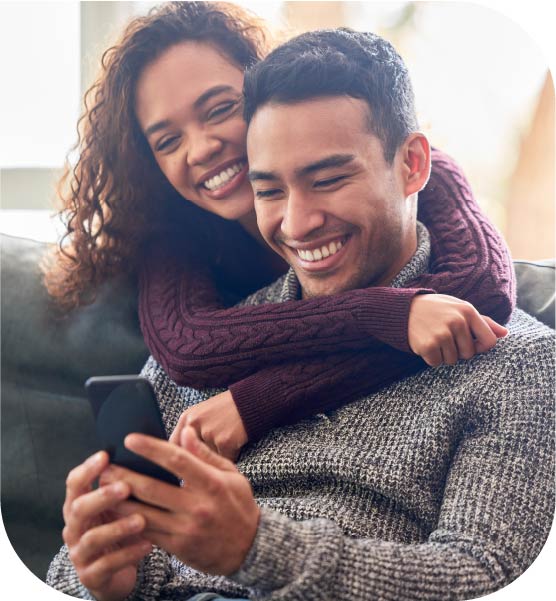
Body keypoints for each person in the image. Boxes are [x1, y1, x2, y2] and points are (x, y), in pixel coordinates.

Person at [47, 27, 554, 601]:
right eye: (269, 190)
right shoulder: (196, 356)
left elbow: (487, 577)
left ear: (413, 165)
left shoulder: (517, 363)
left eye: (329, 179)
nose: (297, 223)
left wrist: (256, 548)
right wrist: (105, 579)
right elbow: (69, 572)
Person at [44, 1, 514, 463]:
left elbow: (479, 295)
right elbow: (191, 349)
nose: (202, 148)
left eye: (220, 109)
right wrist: (388, 315)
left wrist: (258, 402)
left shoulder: (415, 174)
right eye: (169, 141)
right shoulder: (174, 236)